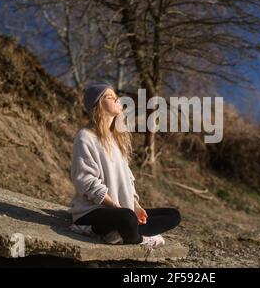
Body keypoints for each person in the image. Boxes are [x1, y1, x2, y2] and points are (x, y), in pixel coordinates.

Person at [68, 83, 181, 248]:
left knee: (173, 215)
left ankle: (123, 233)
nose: (116, 98)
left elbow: (128, 180)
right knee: (126, 219)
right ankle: (139, 239)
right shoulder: (85, 136)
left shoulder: (117, 140)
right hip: (93, 212)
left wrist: (136, 206)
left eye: (115, 95)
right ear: (97, 105)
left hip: (122, 210)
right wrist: (115, 206)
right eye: (108, 96)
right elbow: (85, 180)